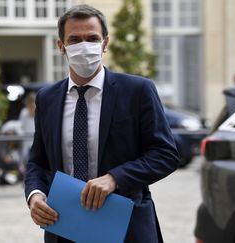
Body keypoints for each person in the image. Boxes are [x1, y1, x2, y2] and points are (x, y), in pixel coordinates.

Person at [24, 4, 179, 243]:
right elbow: (38, 161)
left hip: (126, 225)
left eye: (92, 38)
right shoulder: (47, 98)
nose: (84, 46)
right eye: (74, 39)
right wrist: (35, 195)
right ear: (61, 46)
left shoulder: (137, 91)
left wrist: (115, 178)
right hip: (64, 225)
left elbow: (165, 153)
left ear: (105, 43)